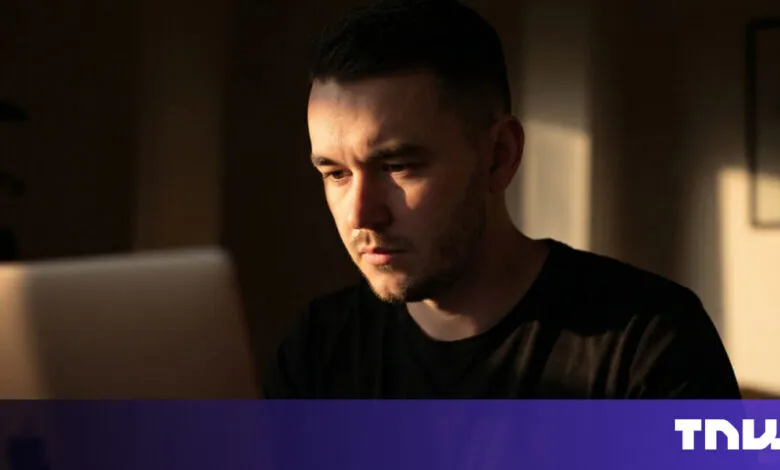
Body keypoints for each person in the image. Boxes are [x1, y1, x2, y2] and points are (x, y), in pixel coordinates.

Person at [262, 0, 741, 398]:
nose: (361, 213)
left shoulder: (649, 340)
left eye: (397, 166)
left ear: (498, 156)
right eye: (336, 172)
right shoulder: (318, 347)